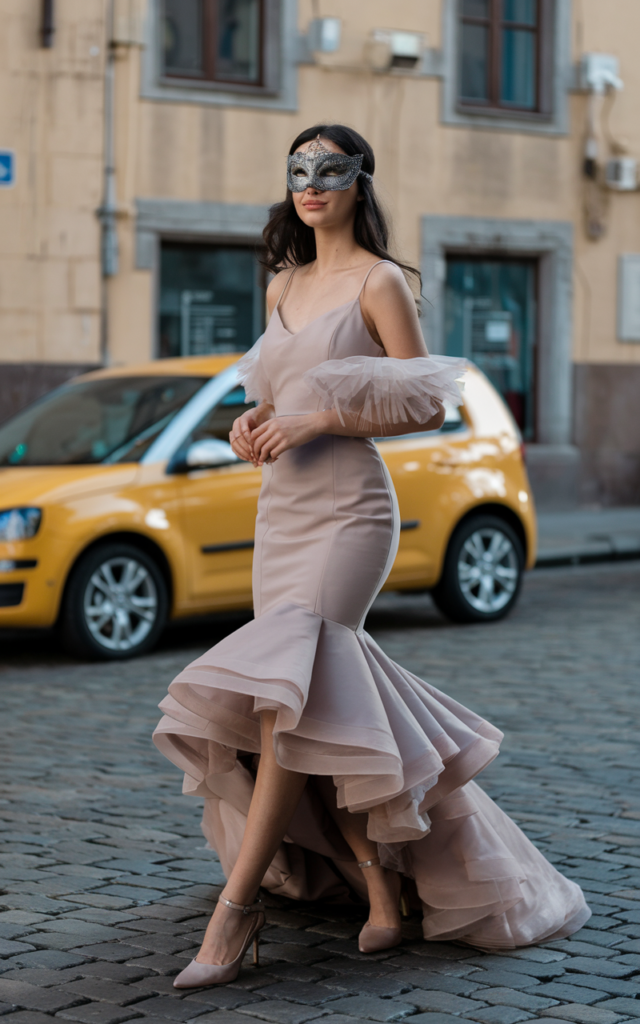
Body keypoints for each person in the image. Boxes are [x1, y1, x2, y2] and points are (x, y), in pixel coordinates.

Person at [153, 125, 590, 989]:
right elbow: (277, 395)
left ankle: (233, 914)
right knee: (312, 698)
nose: (312, 185)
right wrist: (251, 422)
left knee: (288, 701)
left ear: (359, 184)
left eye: (331, 171)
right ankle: (384, 894)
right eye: (299, 171)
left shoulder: (380, 280)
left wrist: (321, 419)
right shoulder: (284, 280)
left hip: (350, 512)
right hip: (281, 512)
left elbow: (425, 403)